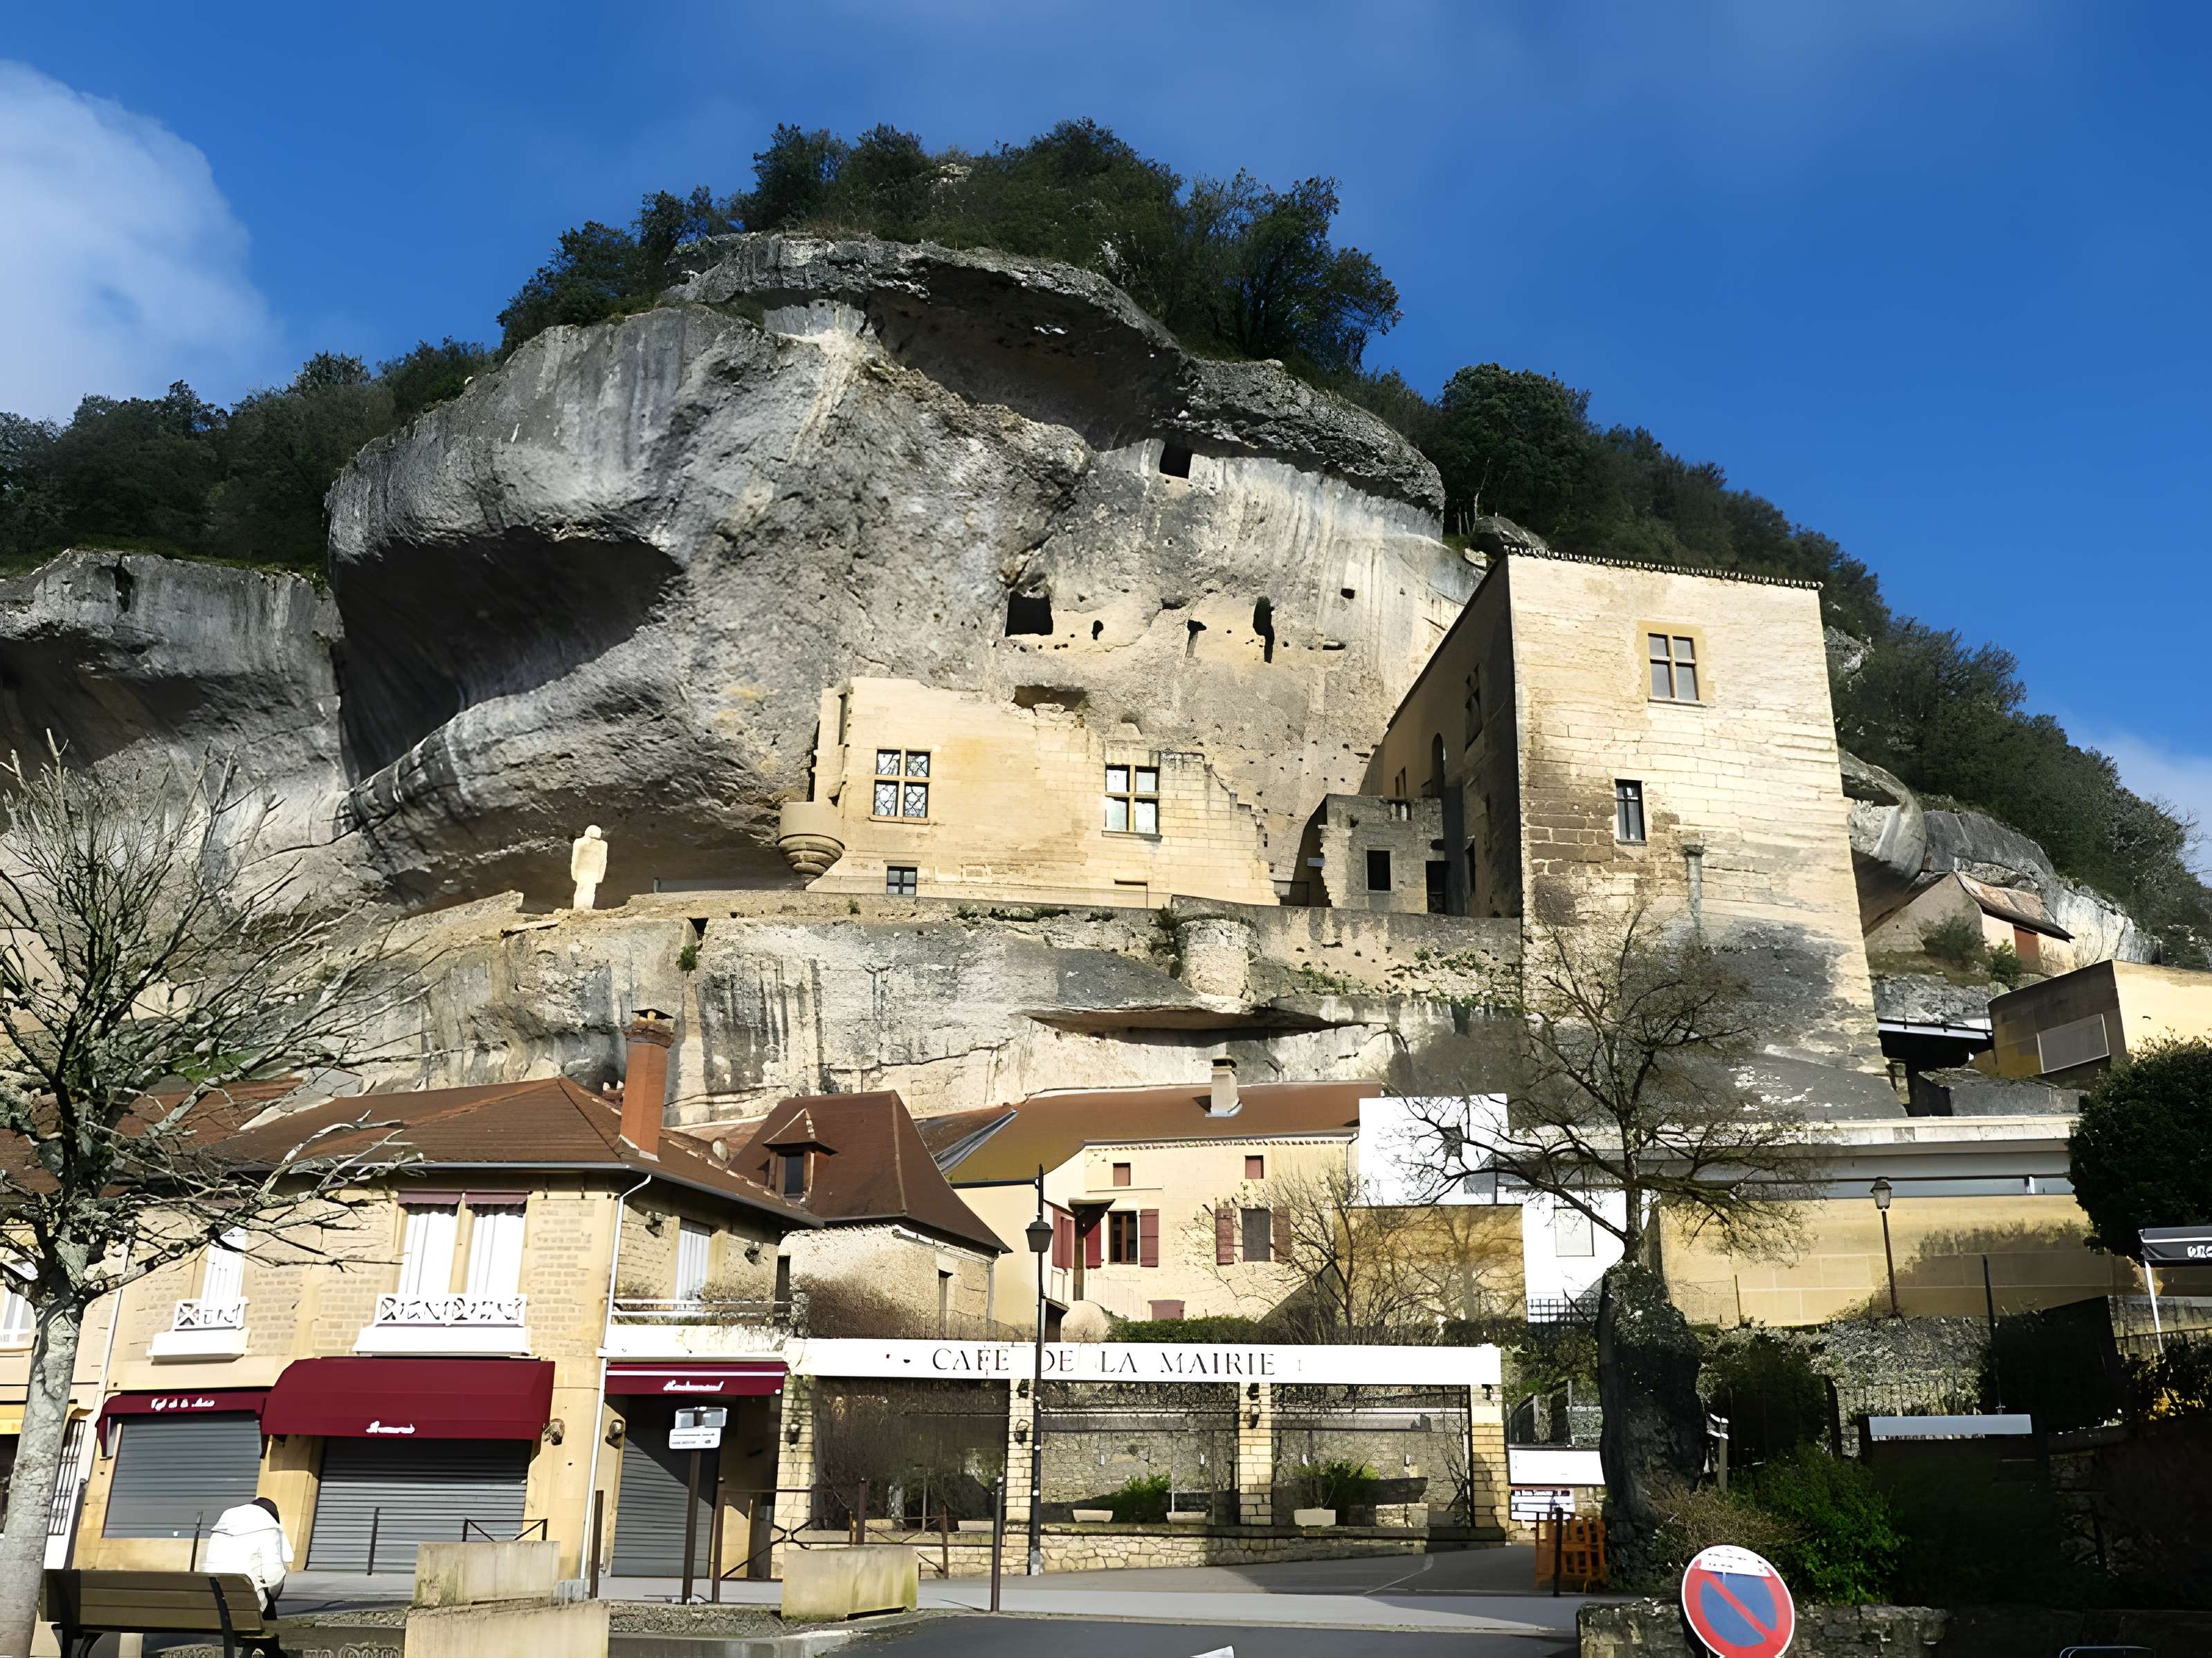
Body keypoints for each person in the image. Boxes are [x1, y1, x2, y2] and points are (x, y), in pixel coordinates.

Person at [204, 1495, 292, 1614]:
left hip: (215, 1598)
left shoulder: (223, 1526)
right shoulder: (269, 1528)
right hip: (250, 1604)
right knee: (265, 1599)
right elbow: (274, 1576)